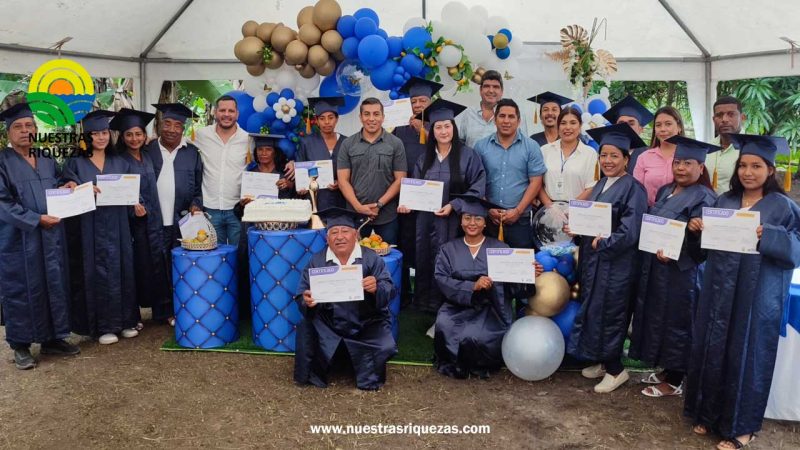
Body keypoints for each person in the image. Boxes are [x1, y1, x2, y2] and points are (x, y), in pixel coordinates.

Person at [684, 134, 800, 450]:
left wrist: (770, 235)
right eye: (743, 165)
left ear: (771, 170)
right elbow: (702, 252)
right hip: (719, 289)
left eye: (756, 166)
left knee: (748, 354)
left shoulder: (784, 207)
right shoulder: (724, 201)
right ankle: (707, 413)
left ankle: (741, 427)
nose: (748, 172)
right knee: (713, 347)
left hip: (757, 294)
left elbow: (796, 250)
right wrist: (695, 232)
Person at [629, 136, 719, 398]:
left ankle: (676, 379)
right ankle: (668, 369)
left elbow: (704, 248)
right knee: (661, 319)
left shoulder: (705, 197)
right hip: (658, 270)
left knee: (679, 323)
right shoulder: (666, 190)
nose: (680, 168)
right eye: (677, 162)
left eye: (688, 163)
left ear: (700, 167)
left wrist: (680, 247)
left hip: (684, 274)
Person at [565, 123, 648, 393]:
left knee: (611, 313)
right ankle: (602, 360)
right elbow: (592, 221)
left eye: (614, 156)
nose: (608, 161)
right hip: (595, 261)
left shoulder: (634, 188)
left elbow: (630, 230)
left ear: (626, 159)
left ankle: (616, 369)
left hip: (617, 264)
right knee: (594, 309)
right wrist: (577, 229)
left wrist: (605, 243)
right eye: (603, 155)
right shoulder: (601, 184)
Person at [0, 103, 80, 369]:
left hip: (51, 237)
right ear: (9, 132)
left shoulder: (45, 157)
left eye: (29, 125)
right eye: (18, 127)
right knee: (21, 288)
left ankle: (53, 339)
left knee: (53, 284)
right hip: (19, 239)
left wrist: (67, 184)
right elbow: (3, 203)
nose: (25, 131)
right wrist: (36, 219)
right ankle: (20, 345)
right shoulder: (2, 162)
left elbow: (58, 181)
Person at [433, 194, 542, 379]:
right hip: (457, 306)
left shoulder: (501, 248)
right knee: (445, 324)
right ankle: (453, 364)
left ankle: (479, 366)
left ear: (485, 223)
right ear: (461, 221)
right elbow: (441, 279)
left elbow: (513, 287)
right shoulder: (448, 249)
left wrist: (528, 275)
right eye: (467, 218)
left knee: (475, 336)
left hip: (492, 308)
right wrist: (472, 286)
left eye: (478, 219)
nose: (472, 223)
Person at [397, 99, 486, 313]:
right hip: (425, 220)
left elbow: (478, 186)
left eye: (447, 126)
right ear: (432, 131)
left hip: (454, 220)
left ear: (453, 128)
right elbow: (414, 187)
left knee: (448, 258)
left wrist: (455, 205)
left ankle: (448, 303)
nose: (444, 131)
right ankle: (424, 302)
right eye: (438, 127)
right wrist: (407, 204)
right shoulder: (424, 158)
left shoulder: (468, 155)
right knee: (425, 256)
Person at [294, 207, 397, 391]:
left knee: (384, 343)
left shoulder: (371, 259)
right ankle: (316, 372)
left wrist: (377, 288)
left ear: (355, 235)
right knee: (306, 327)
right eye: (334, 232)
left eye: (345, 231)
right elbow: (302, 292)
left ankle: (362, 372)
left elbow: (389, 288)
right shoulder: (317, 261)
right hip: (329, 323)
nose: (339, 237)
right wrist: (306, 300)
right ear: (327, 238)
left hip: (365, 322)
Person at [61, 110, 139, 345]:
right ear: (86, 137)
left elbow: (130, 192)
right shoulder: (74, 163)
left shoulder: (121, 162)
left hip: (118, 225)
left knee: (123, 269)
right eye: (95, 134)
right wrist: (80, 188)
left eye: (105, 132)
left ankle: (125, 321)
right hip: (89, 226)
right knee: (96, 272)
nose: (101, 137)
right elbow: (66, 190)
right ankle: (104, 326)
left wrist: (136, 203)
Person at [111, 108, 173, 327]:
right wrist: (132, 206)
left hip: (154, 220)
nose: (134, 138)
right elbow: (115, 190)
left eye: (138, 134)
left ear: (145, 135)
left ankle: (163, 311)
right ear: (122, 137)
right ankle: (133, 316)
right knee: (136, 268)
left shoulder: (148, 155)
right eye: (129, 134)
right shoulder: (118, 160)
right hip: (133, 224)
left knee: (159, 265)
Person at [144, 103, 204, 308]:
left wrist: (196, 204)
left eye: (177, 125)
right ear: (160, 125)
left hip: (182, 222)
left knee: (181, 266)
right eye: (167, 123)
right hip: (153, 222)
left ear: (183, 129)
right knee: (157, 267)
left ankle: (183, 307)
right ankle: (163, 311)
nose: (171, 129)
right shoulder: (148, 150)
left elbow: (198, 189)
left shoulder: (192, 153)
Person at [392, 77, 443, 306]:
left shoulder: (440, 126)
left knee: (429, 247)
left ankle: (428, 296)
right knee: (404, 244)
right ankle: (404, 295)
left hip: (432, 200)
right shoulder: (398, 129)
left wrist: (423, 129)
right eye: (414, 101)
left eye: (423, 100)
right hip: (405, 199)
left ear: (431, 102)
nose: (418, 105)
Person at [233, 134, 295, 313]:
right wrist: (243, 204)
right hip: (252, 228)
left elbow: (295, 203)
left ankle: (278, 303)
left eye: (268, 149)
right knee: (249, 264)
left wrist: (290, 186)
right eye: (260, 149)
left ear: (275, 152)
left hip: (277, 230)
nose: (264, 153)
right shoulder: (250, 175)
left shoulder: (284, 174)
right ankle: (248, 309)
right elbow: (240, 211)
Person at [473, 98, 546, 248]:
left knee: (520, 261)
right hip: (489, 219)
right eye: (502, 116)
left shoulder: (531, 147)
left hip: (521, 220)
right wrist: (488, 208)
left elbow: (536, 181)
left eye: (511, 116)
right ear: (495, 119)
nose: (506, 121)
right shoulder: (481, 146)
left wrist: (517, 211)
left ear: (518, 121)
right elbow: (476, 180)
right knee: (488, 261)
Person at [337, 97, 406, 244]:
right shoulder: (348, 144)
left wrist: (379, 204)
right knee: (355, 255)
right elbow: (343, 181)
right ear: (360, 117)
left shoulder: (396, 143)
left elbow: (400, 179)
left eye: (376, 114)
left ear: (383, 117)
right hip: (355, 215)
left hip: (387, 216)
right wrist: (358, 206)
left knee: (389, 255)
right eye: (367, 114)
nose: (371, 119)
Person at [194, 95, 251, 245]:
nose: (226, 114)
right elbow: (180, 144)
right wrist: (152, 141)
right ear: (215, 112)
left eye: (231, 111)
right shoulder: (202, 135)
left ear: (237, 114)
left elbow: (266, 158)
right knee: (214, 253)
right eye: (222, 110)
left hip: (237, 208)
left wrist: (290, 163)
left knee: (238, 253)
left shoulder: (248, 139)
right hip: (210, 208)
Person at [538, 106, 598, 207]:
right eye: (563, 123)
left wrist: (570, 208)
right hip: (548, 208)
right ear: (558, 126)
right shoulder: (545, 150)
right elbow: (538, 183)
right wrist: (550, 207)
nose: (568, 127)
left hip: (578, 208)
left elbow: (591, 187)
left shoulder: (590, 153)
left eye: (573, 123)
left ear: (580, 126)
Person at [297, 96, 346, 210]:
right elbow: (300, 170)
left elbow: (354, 171)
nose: (327, 122)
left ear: (337, 119)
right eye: (322, 118)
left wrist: (340, 182)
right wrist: (301, 186)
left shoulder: (346, 142)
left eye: (331, 117)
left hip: (341, 200)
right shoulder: (306, 142)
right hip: (315, 200)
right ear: (317, 121)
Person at [455, 70, 529, 148]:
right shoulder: (469, 114)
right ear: (480, 90)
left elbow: (524, 146)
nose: (491, 91)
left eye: (495, 87)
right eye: (487, 86)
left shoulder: (516, 115)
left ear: (502, 91)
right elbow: (460, 144)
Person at [634, 106, 686, 206]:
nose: (662, 129)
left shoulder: (689, 156)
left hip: (680, 212)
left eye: (668, 124)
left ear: (679, 127)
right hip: (649, 212)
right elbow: (636, 192)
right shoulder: (644, 158)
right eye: (658, 125)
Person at [603, 95, 654, 173]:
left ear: (640, 129)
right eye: (621, 123)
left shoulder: (649, 156)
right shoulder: (605, 154)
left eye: (631, 123)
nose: (625, 127)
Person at [705, 96, 745, 195]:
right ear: (714, 120)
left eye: (731, 114)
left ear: (742, 118)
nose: (724, 119)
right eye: (719, 115)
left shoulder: (754, 148)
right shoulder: (706, 147)